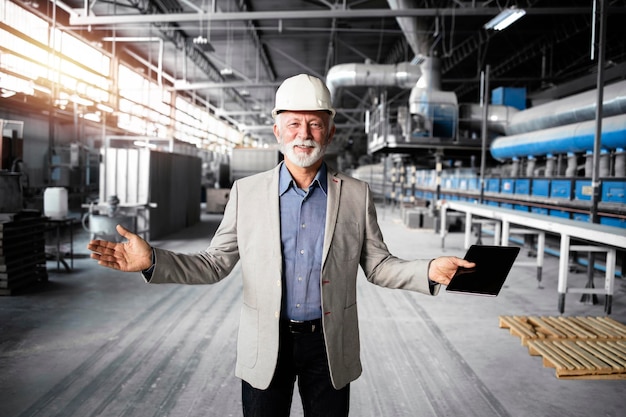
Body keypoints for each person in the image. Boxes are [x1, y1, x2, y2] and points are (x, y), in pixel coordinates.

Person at [87, 74, 475, 417]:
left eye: (314, 124)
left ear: (330, 132)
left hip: (328, 345)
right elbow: (214, 263)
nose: (303, 134)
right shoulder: (246, 193)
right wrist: (153, 260)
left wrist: (428, 269)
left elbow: (378, 265)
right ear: (277, 131)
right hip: (266, 344)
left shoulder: (356, 195)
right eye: (293, 124)